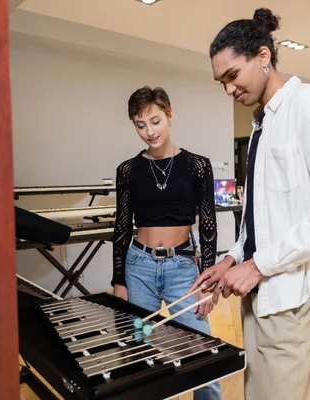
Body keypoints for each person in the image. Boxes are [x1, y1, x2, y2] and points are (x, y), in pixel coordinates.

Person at [190, 8, 310, 400]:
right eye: (221, 82)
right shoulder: (261, 126)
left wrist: (257, 265)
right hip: (257, 293)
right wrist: (231, 259)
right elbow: (260, 218)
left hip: (289, 296)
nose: (228, 90)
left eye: (232, 75)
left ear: (264, 57)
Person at [111, 86, 221, 400]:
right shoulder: (128, 170)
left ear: (170, 116)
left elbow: (208, 225)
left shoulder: (197, 165)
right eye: (140, 125)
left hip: (183, 269)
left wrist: (208, 280)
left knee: (202, 353)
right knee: (137, 354)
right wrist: (119, 280)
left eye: (155, 121)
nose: (149, 131)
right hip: (138, 268)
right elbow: (121, 228)